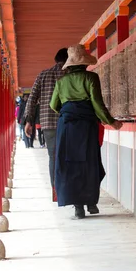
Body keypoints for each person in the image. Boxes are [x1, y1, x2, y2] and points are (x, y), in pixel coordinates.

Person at [50, 45, 122, 219]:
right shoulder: (91, 77)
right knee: (89, 162)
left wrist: (69, 111)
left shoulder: (61, 82)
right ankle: (91, 202)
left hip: (67, 126)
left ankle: (78, 207)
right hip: (87, 125)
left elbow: (54, 105)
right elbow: (97, 103)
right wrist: (111, 121)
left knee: (70, 164)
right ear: (84, 63)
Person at [23, 48, 68, 188]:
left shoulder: (43, 75)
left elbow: (32, 99)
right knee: (70, 156)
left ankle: (55, 188)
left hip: (48, 122)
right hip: (69, 121)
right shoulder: (70, 74)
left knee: (53, 156)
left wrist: (28, 121)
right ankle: (68, 188)